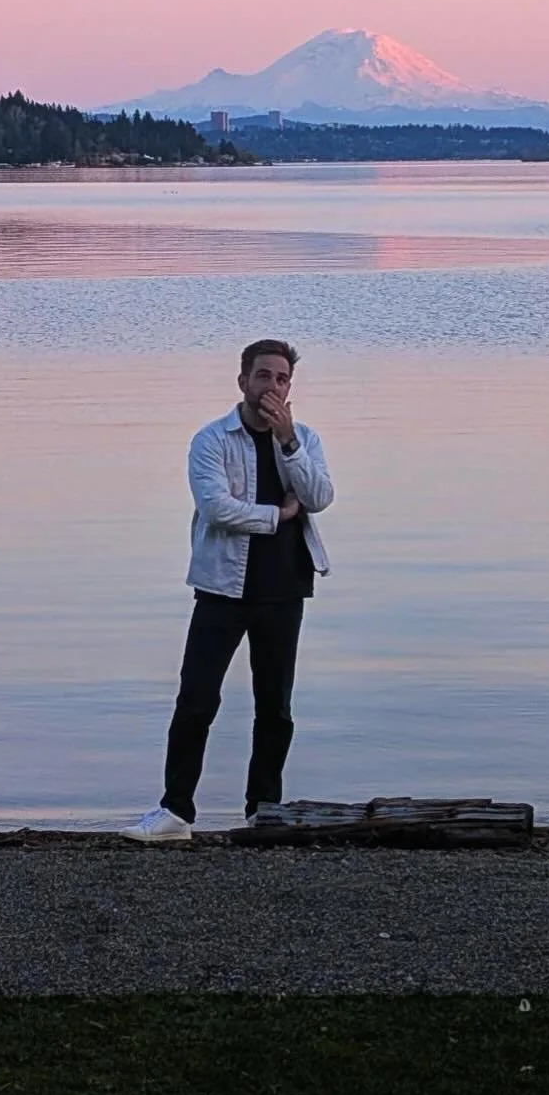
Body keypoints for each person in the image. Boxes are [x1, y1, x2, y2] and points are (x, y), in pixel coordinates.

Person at [126, 339, 334, 842]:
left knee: (276, 707)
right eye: (263, 376)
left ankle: (264, 809)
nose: (272, 387)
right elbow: (217, 507)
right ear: (243, 381)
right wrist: (277, 515)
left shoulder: (302, 437)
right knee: (196, 699)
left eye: (282, 379)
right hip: (222, 588)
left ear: (290, 387)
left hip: (285, 590)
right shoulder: (212, 439)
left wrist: (289, 444)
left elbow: (321, 497)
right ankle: (175, 811)